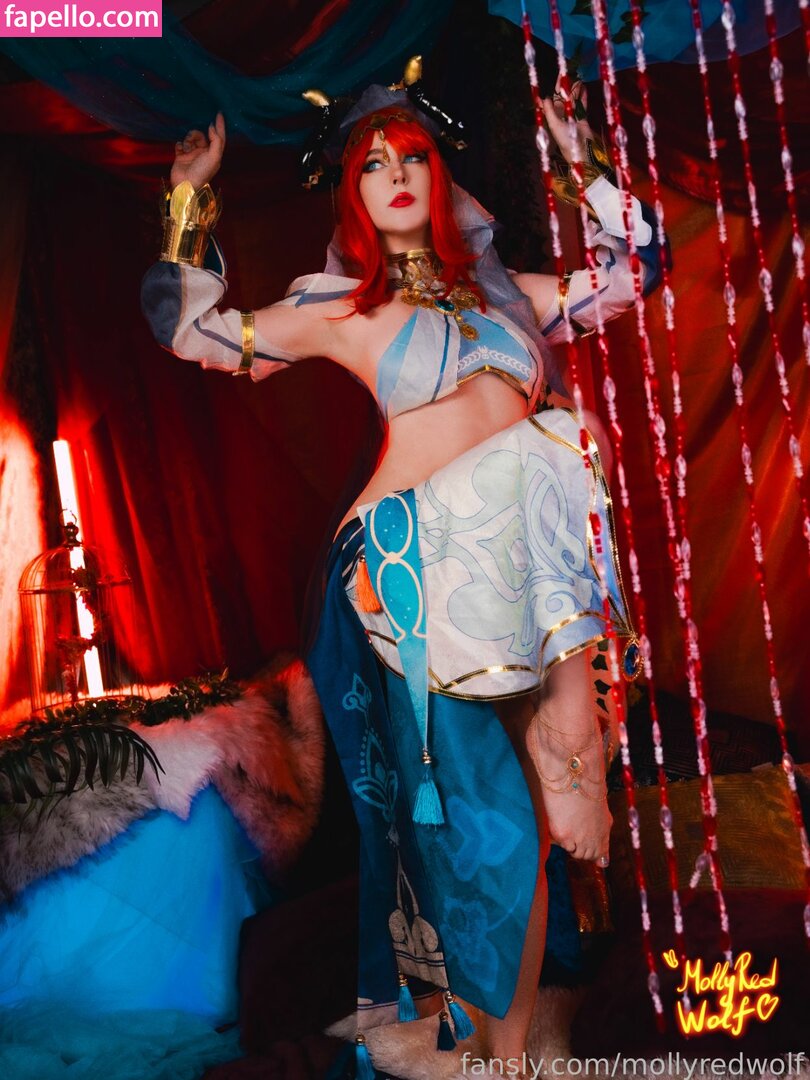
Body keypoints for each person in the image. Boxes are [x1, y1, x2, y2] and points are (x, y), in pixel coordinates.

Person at [141, 69, 662, 1078]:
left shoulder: (513, 298)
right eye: (371, 164)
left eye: (411, 154)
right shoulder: (341, 307)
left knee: (529, 817)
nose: (395, 174)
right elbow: (192, 332)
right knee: (492, 818)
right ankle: (501, 1048)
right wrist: (188, 198)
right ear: (353, 196)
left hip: (521, 573)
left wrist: (586, 163)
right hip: (411, 572)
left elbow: (633, 271)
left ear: (440, 173)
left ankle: (501, 1045)